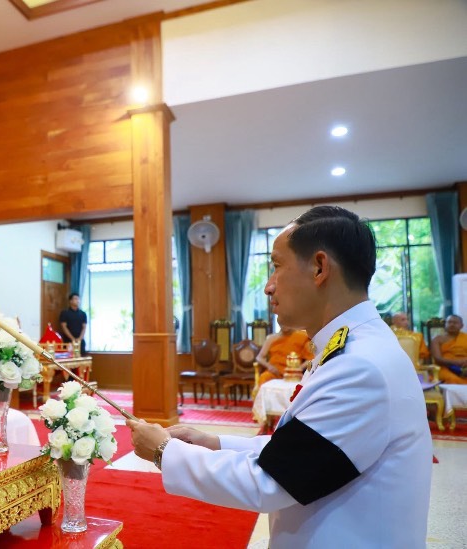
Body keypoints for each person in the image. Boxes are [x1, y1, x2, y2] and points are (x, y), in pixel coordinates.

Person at [128, 206, 431, 548]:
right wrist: (213, 442)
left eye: (276, 266)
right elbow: (298, 451)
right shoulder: (354, 348)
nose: (268, 287)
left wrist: (163, 451)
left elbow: (271, 481)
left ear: (319, 268)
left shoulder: (360, 367)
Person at [431, 314, 467, 385]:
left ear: (462, 325)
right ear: (445, 324)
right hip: (444, 367)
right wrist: (456, 362)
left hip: (464, 366)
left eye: (455, 323)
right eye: (449, 322)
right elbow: (438, 359)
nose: (452, 324)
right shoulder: (437, 339)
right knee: (453, 379)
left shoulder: (465, 337)